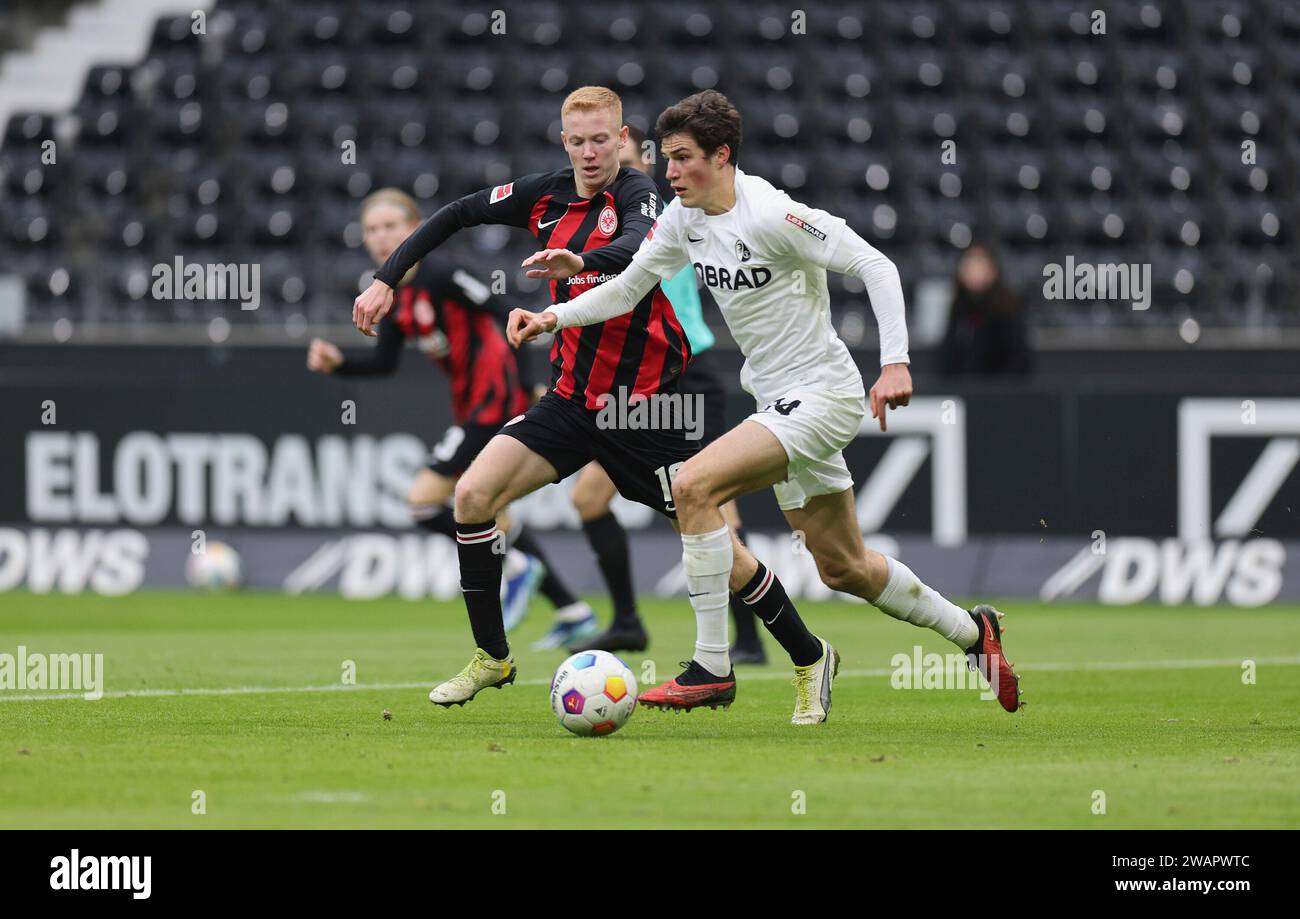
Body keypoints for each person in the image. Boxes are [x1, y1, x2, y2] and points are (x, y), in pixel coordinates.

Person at [510, 91, 1022, 723]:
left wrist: (895, 363)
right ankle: (975, 633)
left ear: (721, 157)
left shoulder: (775, 215)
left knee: (692, 485)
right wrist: (553, 315)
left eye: (681, 158)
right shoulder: (684, 218)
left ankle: (710, 667)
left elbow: (877, 266)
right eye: (664, 158)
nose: (667, 172)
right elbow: (626, 289)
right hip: (775, 395)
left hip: (823, 394)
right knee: (844, 567)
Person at [312, 188, 595, 642]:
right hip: (473, 404)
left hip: (494, 399)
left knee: (424, 501)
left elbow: (508, 315)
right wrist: (338, 364)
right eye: (372, 229)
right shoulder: (393, 293)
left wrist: (525, 389)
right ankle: (571, 610)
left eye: (391, 227)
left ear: (415, 229)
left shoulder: (443, 273)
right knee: (491, 507)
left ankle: (519, 564)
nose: (381, 237)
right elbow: (385, 362)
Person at [567, 123, 768, 664]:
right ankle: (629, 622)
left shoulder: (658, 218)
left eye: (629, 165)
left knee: (710, 502)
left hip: (684, 372)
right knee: (589, 497)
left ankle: (747, 639)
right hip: (632, 382)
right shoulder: (598, 220)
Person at [939, 242, 1031, 377]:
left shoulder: (1007, 311)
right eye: (970, 263)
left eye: (981, 263)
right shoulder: (958, 310)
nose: (975, 270)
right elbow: (946, 360)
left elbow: (1018, 362)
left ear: (993, 270)